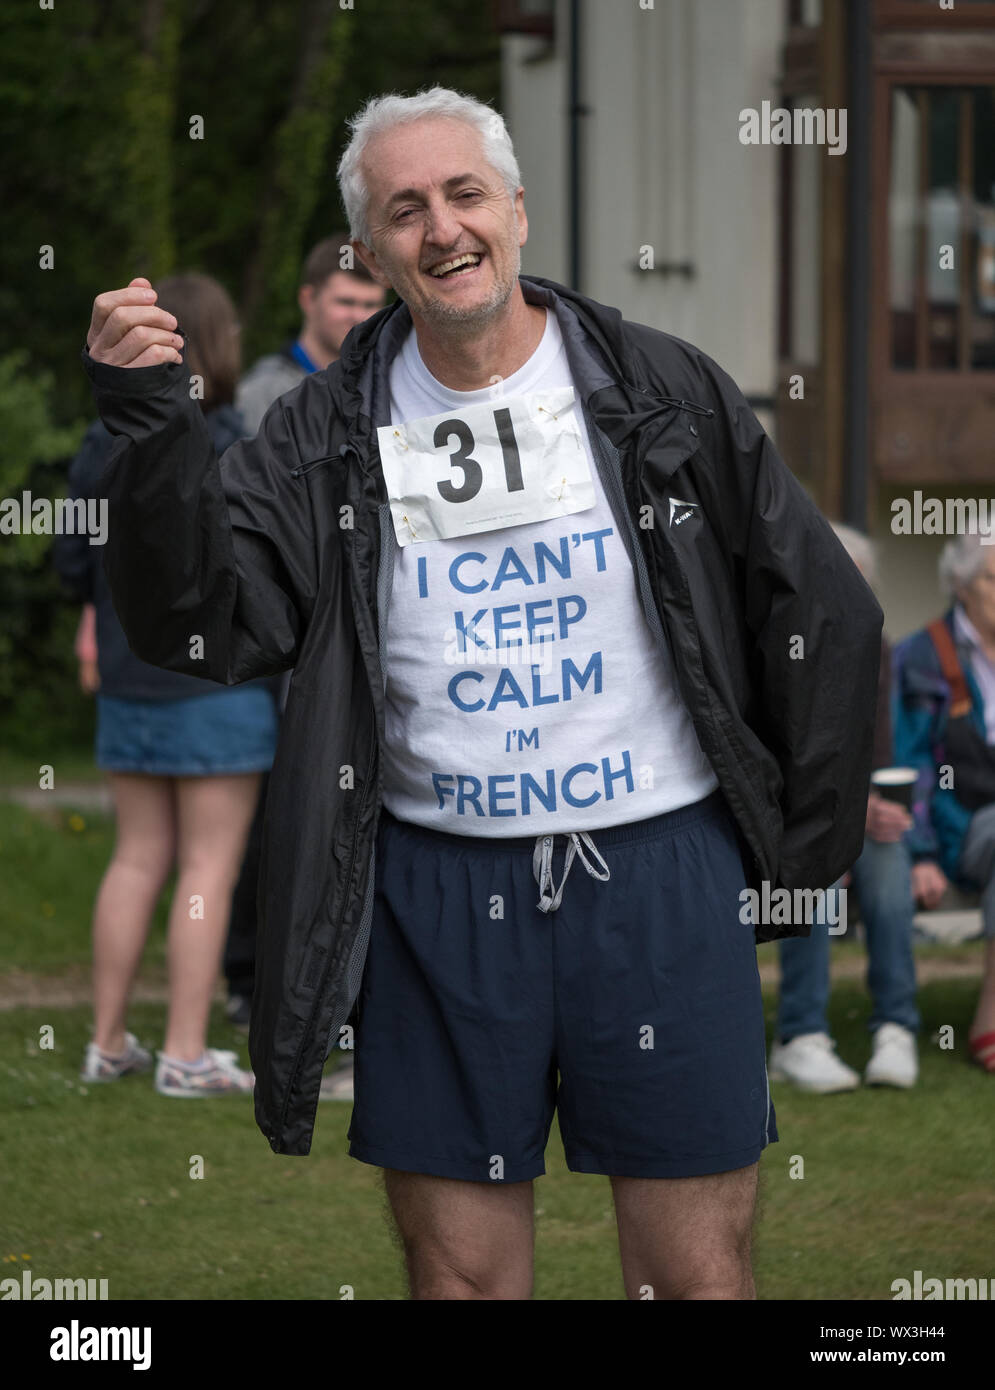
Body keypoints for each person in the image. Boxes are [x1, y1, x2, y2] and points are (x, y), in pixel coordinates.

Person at [81, 87, 882, 1300]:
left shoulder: (662, 387)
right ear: (366, 251)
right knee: (458, 1283)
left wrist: (790, 859)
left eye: (463, 194)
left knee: (694, 1279)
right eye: (403, 211)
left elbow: (820, 614)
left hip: (659, 875)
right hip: (435, 891)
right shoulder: (315, 436)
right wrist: (149, 428)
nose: (441, 229)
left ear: (515, 207)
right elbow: (202, 625)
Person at [56, 272, 277, 1098]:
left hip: (123, 676)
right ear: (217, 346)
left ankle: (108, 1044)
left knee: (136, 858)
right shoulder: (228, 439)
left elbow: (73, 559)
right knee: (206, 870)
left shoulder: (97, 439)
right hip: (211, 683)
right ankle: (185, 1054)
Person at [769, 525, 920, 1092]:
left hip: (854, 815)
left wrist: (869, 811)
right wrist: (839, 819)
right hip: (793, 822)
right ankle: (799, 1037)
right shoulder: (778, 644)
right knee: (818, 868)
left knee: (887, 855)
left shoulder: (873, 648)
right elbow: (774, 757)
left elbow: (877, 754)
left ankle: (895, 1027)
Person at [893, 532, 995, 1074]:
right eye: (992, 578)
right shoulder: (922, 654)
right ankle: (989, 1016)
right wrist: (923, 851)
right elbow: (911, 765)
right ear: (960, 586)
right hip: (958, 829)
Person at [235, 234, 386, 434]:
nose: (359, 317)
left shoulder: (391, 385)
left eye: (370, 304)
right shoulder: (264, 392)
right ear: (308, 300)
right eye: (345, 302)